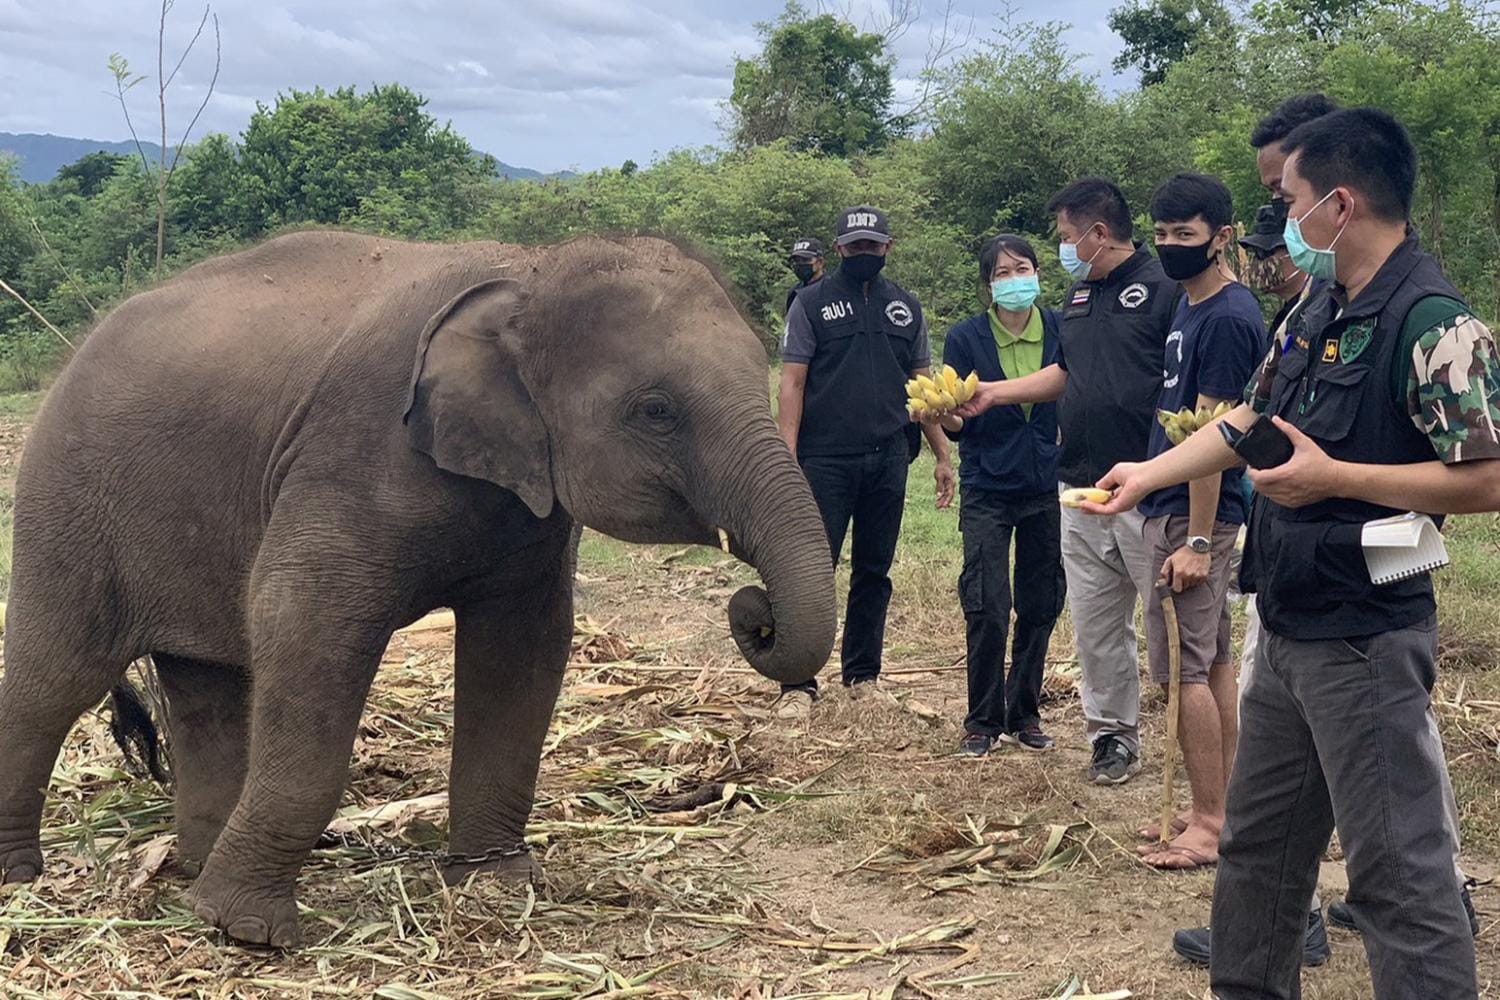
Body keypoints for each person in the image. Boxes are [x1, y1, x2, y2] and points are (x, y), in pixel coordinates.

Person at [1094, 107, 1500, 999]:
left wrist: (1336, 478)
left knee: (1396, 875)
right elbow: (1247, 418)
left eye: (1289, 201)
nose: (1280, 221)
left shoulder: (1435, 323)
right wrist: (1147, 471)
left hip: (1365, 636)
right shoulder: (1315, 307)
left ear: (1340, 205)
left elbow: (1485, 477)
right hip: (1284, 622)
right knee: (1259, 852)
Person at [958, 179, 1177, 784]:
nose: (1061, 250)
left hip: (1148, 487)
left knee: (1170, 628)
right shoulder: (1079, 297)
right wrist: (992, 392)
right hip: (1080, 486)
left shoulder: (1165, 291)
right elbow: (1064, 374)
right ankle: (1112, 738)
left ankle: (1194, 738)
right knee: (1097, 626)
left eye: (1064, 237)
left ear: (1097, 234)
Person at [1129, 174, 1264, 871]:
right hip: (1176, 504)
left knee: (1181, 670)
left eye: (1185, 234)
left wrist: (1200, 540)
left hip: (1192, 513)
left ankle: (1210, 823)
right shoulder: (1192, 305)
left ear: (1221, 236)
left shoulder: (1229, 318)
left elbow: (1214, 437)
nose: (1170, 245)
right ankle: (1223, 804)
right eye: (1161, 234)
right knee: (1210, 662)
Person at [775, 205, 955, 720]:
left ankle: (862, 676)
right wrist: (786, 458)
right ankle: (797, 683)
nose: (864, 253)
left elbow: (922, 385)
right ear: (838, 250)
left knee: (874, 571)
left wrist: (943, 455)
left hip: (889, 458)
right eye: (854, 246)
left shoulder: (906, 307)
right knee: (812, 571)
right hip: (824, 461)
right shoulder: (810, 304)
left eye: (872, 246)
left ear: (887, 247)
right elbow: (792, 383)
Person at [920, 235, 1065, 757]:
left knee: (1040, 602)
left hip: (1046, 483)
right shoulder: (966, 338)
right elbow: (961, 423)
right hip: (988, 485)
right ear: (988, 285)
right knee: (987, 603)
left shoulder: (1061, 329)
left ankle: (1024, 712)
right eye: (1002, 273)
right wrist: (943, 417)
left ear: (1037, 273)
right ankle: (981, 720)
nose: (1014, 280)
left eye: (1022, 268)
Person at [785, 237, 826, 314]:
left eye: (805, 260)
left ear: (820, 262)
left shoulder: (831, 290)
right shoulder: (794, 293)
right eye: (796, 261)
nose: (800, 264)